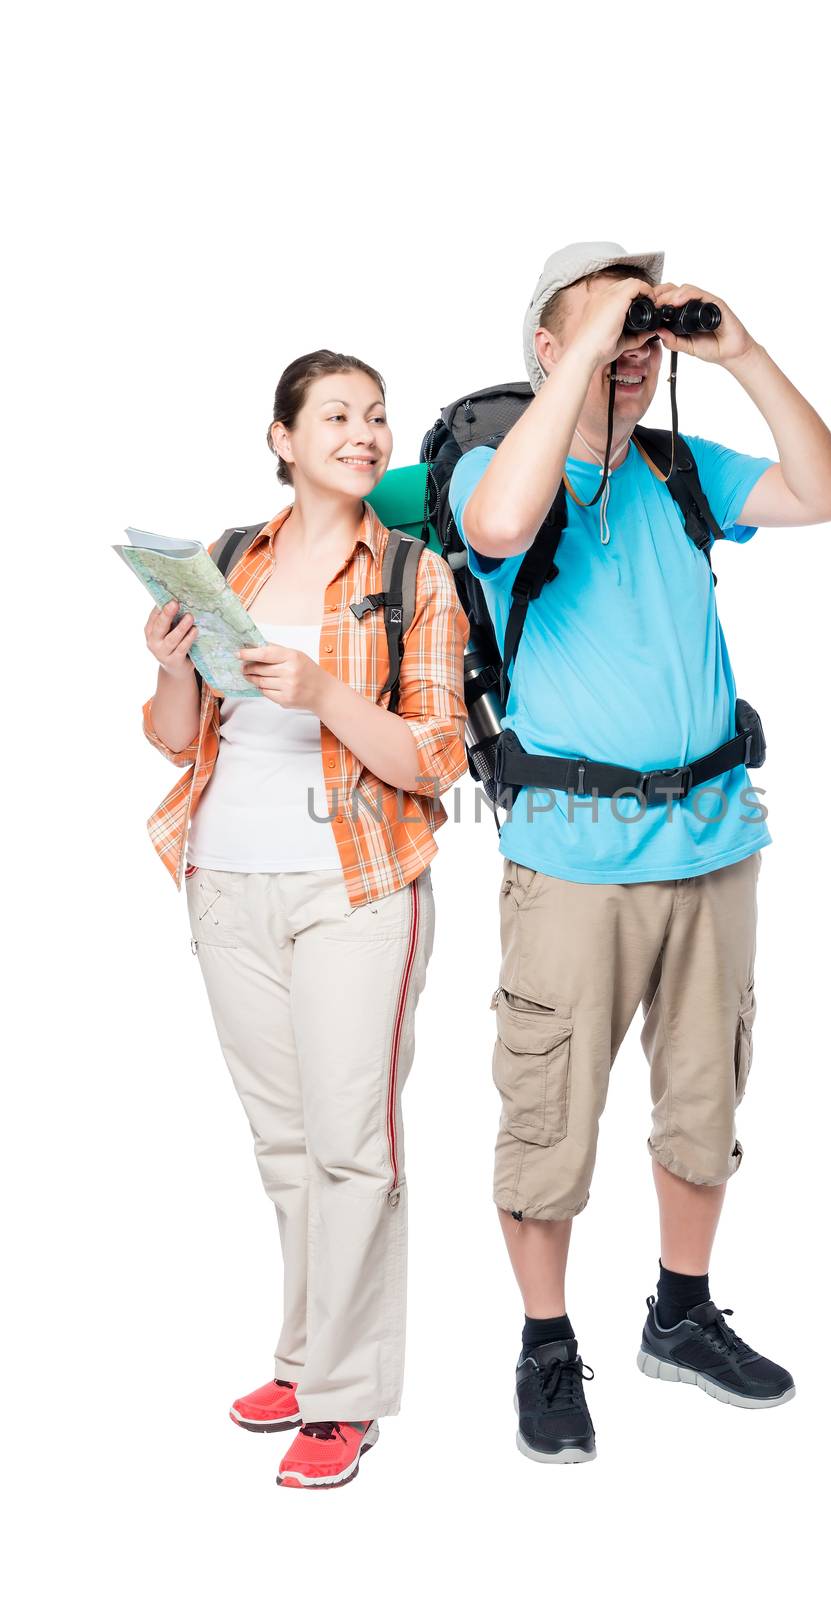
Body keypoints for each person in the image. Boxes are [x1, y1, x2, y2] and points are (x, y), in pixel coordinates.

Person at [448, 243, 831, 1464]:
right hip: (574, 859)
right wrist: (587, 350)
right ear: (547, 347)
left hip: (716, 839)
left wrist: (734, 352)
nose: (635, 347)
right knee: (550, 1111)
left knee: (703, 1095)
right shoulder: (493, 462)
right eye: (607, 327)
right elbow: (501, 520)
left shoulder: (681, 470)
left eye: (645, 332)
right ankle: (542, 1341)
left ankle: (681, 1313)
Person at [140, 349, 468, 1489]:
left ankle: (345, 1397)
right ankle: (304, 1354)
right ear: (283, 438)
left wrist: (325, 691)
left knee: (352, 1147)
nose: (365, 434)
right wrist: (175, 669)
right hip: (224, 875)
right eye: (336, 415)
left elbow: (436, 758)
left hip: (357, 883)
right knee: (287, 1147)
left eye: (376, 417)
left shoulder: (415, 575)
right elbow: (180, 738)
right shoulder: (231, 559)